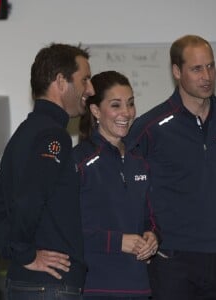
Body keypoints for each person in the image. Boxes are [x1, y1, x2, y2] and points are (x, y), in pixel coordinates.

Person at [126, 35, 216, 300]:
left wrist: (215, 216)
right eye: (196, 68)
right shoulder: (151, 127)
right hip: (170, 256)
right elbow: (131, 184)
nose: (206, 76)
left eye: (211, 66)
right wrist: (149, 231)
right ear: (176, 71)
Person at [0, 43, 95, 300]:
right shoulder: (53, 136)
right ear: (60, 81)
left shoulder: (27, 132)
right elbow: (29, 199)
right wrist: (25, 254)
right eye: (85, 79)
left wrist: (17, 255)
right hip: (50, 286)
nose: (91, 89)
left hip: (32, 284)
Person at [73, 70, 159, 300]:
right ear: (95, 110)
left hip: (138, 287)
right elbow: (65, 230)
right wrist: (117, 241)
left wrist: (152, 236)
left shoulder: (140, 161)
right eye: (116, 105)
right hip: (94, 287)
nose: (126, 113)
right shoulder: (78, 161)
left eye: (130, 104)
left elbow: (150, 217)